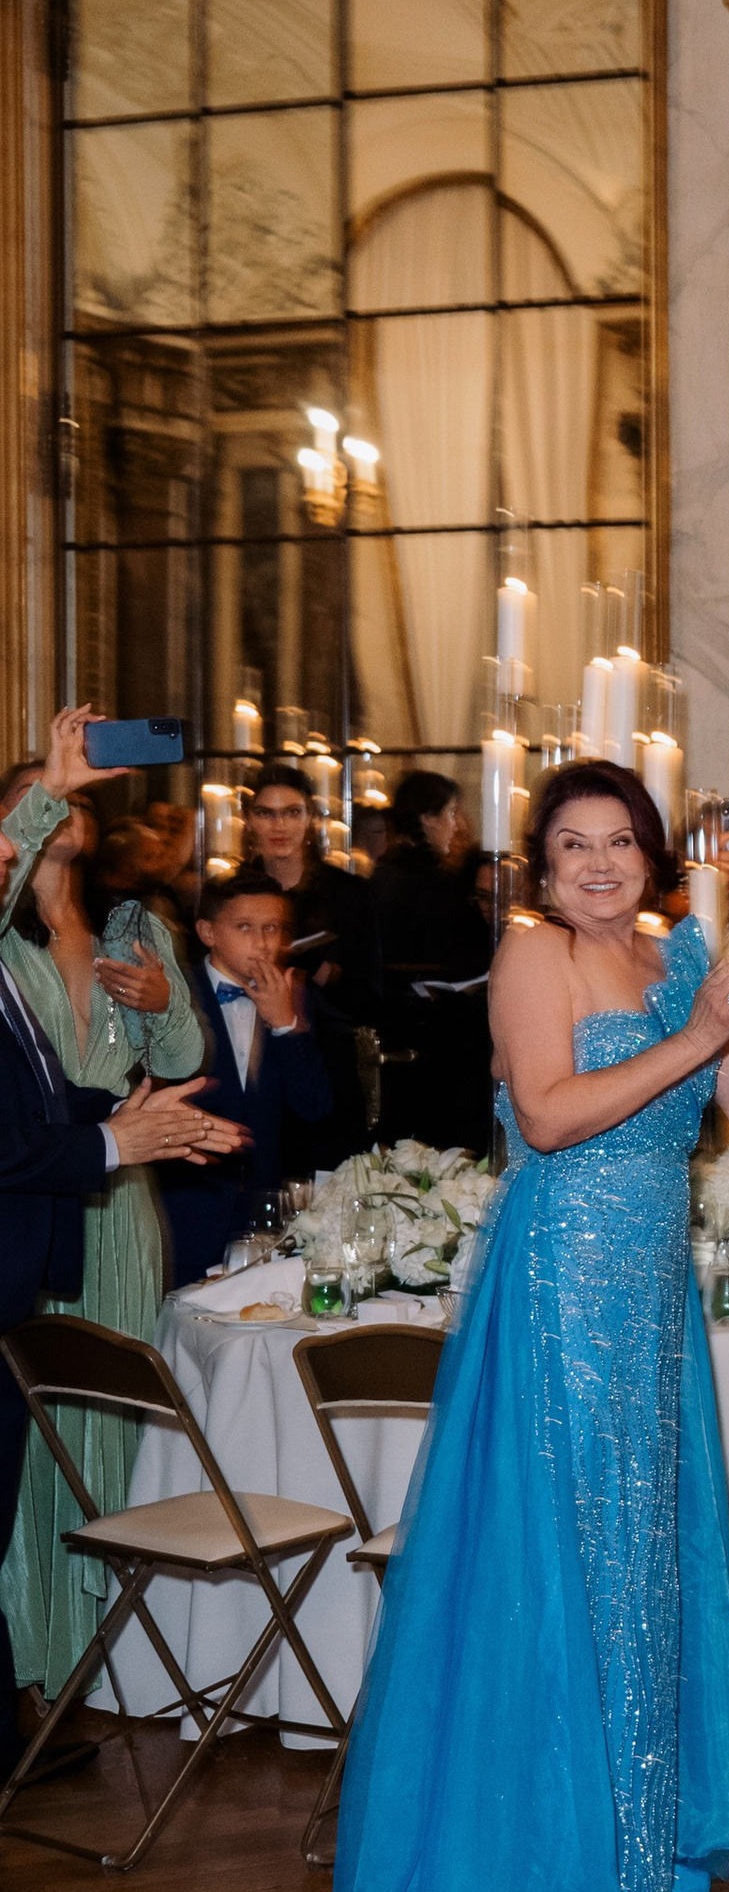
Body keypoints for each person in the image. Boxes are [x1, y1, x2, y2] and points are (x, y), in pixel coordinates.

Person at [280, 760, 729, 1892]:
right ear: (542, 869)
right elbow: (544, 1115)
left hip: (651, 1294)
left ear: (651, 856)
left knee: (641, 1553)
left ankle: (633, 1841)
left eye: (619, 842)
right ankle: (554, 1857)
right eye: (573, 846)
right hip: (559, 1284)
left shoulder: (680, 956)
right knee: (560, 1551)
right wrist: (701, 1035)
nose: (599, 864)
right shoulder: (534, 956)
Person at [0, 711, 244, 1793]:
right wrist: (42, 789)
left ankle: (106, 1657)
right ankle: (33, 1655)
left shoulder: (134, 923)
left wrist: (162, 1000)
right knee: (30, 1450)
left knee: (112, 1429)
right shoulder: (5, 935)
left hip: (123, 1200)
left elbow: (185, 1054)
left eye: (69, 797)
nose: (60, 809)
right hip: (39, 1199)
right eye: (37, 798)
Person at [158, 880, 335, 1285]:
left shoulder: (294, 996)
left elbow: (315, 1107)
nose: (262, 943)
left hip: (263, 1214)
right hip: (186, 1208)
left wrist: (286, 1025)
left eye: (272, 928)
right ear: (207, 932)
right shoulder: (173, 994)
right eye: (244, 927)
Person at [227, 765, 375, 1169]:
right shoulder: (231, 894)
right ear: (248, 821)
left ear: (310, 819)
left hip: (328, 1057)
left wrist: (322, 972)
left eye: (292, 812)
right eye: (266, 813)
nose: (279, 826)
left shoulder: (349, 895)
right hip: (249, 1053)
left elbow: (373, 996)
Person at [369, 770, 493, 1157]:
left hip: (403, 1035)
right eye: (451, 813)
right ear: (427, 818)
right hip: (434, 1047)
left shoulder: (385, 874)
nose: (457, 825)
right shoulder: (432, 885)